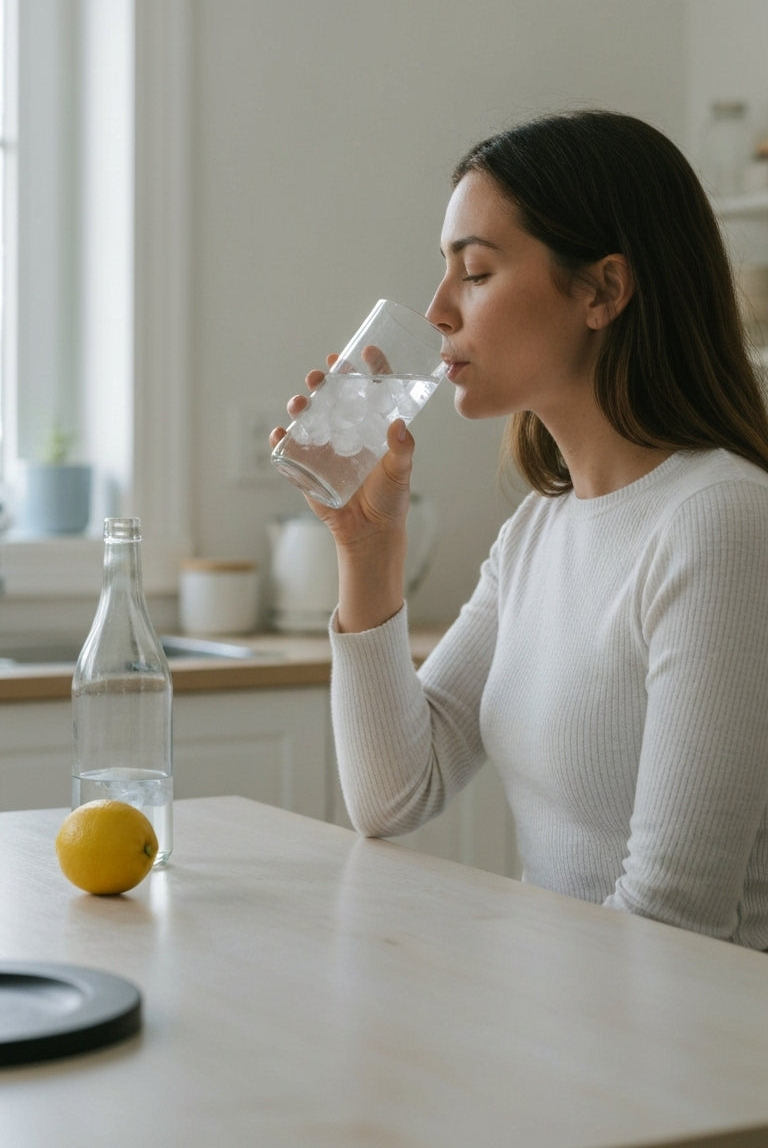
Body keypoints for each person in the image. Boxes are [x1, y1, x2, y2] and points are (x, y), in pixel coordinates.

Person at [270, 109, 768, 947]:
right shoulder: (539, 530)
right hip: (578, 1005)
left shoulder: (720, 523)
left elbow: (672, 923)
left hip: (689, 1023)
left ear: (602, 291)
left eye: (475, 272)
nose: (437, 311)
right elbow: (394, 794)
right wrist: (367, 548)